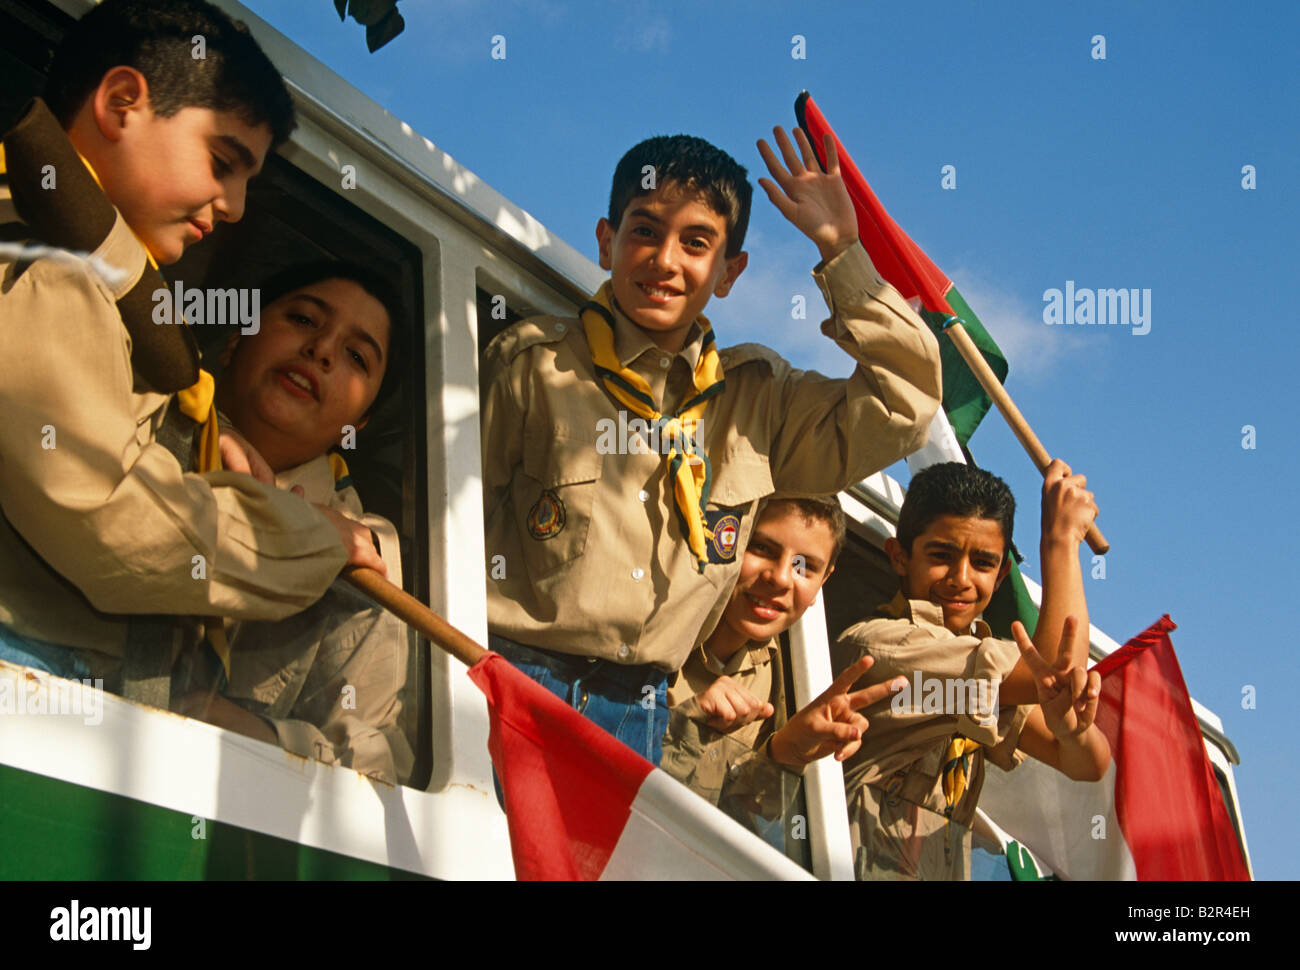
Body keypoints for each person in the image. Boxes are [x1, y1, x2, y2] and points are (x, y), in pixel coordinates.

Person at [480, 129, 942, 767]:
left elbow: (906, 406)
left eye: (696, 243)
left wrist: (842, 250)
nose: (665, 260)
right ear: (607, 241)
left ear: (729, 273)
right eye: (644, 231)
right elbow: (446, 519)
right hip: (512, 678)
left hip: (642, 716)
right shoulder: (535, 366)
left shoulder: (760, 402)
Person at [0, 0, 381, 701]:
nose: (234, 203)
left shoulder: (96, 281)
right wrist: (313, 539)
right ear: (121, 103)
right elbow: (108, 517)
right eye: (222, 160)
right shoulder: (53, 269)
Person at [170, 261, 414, 784]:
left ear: (360, 422)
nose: (322, 350)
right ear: (237, 338)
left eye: (355, 356)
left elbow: (376, 760)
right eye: (303, 319)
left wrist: (267, 739)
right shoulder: (139, 419)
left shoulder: (363, 554)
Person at [833, 460, 1110, 880]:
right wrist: (1060, 541)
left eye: (982, 563)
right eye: (942, 556)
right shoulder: (883, 648)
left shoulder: (972, 684)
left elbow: (1087, 765)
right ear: (900, 557)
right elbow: (1055, 670)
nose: (961, 579)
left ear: (1000, 578)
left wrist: (1073, 733)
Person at [662, 495, 905, 818]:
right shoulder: (657, 635)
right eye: (762, 549)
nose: (779, 577)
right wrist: (686, 723)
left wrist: (785, 751)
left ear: (824, 581)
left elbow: (736, 808)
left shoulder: (785, 674)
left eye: (804, 567)